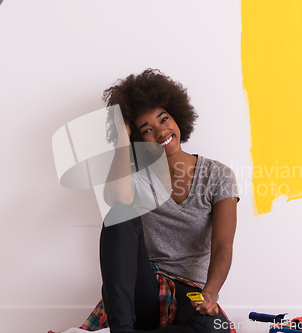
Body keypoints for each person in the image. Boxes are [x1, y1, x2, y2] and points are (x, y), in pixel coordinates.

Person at [98, 69, 239, 333]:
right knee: (120, 213)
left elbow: (223, 244)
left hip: (191, 294)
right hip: (146, 290)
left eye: (164, 119)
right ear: (138, 141)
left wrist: (211, 294)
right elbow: (114, 202)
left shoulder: (218, 175)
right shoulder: (136, 177)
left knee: (215, 329)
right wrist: (120, 143)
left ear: (178, 117)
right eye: (147, 130)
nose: (161, 131)